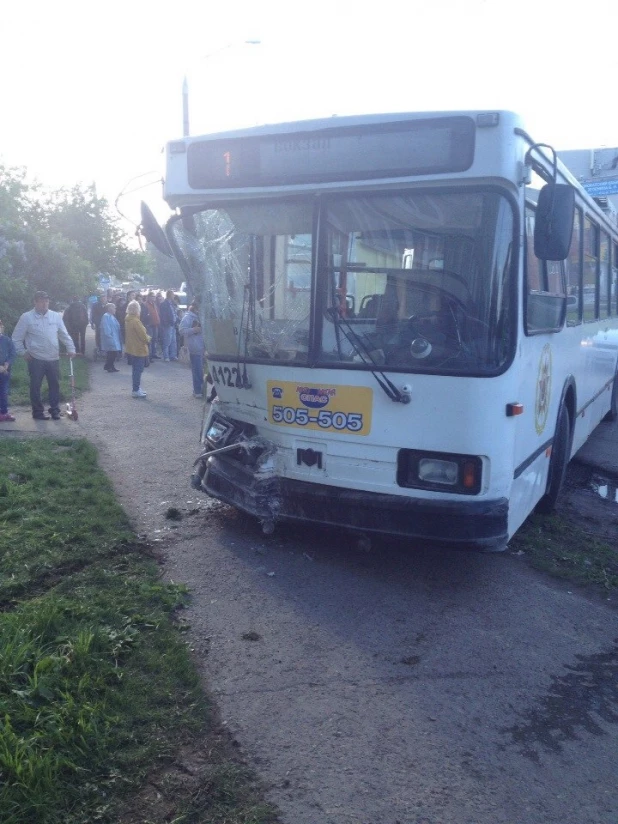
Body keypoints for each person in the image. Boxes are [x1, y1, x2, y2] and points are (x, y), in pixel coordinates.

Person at [12, 290, 76, 420]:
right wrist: (23, 352)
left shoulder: (55, 316)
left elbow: (63, 334)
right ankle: (38, 412)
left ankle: (55, 411)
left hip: (53, 357)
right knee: (35, 386)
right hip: (35, 358)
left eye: (46, 301)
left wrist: (71, 348)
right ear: (35, 302)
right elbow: (16, 338)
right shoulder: (26, 317)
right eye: (41, 301)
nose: (44, 303)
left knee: (55, 385)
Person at [124, 299, 150, 398]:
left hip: (132, 347)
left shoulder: (128, 319)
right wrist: (148, 338)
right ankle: (136, 389)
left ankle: (136, 388)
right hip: (139, 348)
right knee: (138, 370)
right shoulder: (136, 321)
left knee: (135, 369)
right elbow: (143, 336)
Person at [179, 302, 204, 398]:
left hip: (201, 347)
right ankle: (198, 390)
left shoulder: (200, 316)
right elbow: (181, 330)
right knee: (197, 370)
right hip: (194, 347)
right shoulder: (188, 317)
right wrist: (194, 330)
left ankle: (200, 389)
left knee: (201, 370)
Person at [0, 318, 17, 422]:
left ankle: (4, 412)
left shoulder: (7, 340)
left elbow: (12, 353)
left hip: (5, 371)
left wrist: (7, 364)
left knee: (4, 392)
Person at [100, 303, 122, 372]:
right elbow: (106, 327)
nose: (115, 309)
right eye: (114, 308)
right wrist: (109, 336)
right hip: (110, 337)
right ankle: (108, 366)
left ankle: (110, 366)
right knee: (112, 353)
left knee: (113, 353)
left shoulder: (111, 316)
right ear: (110, 308)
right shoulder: (106, 316)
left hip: (114, 337)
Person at [159, 289, 179, 361]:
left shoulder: (172, 303)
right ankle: (166, 356)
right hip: (167, 325)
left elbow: (174, 313)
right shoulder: (164, 304)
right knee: (167, 340)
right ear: (169, 295)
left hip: (173, 324)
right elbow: (163, 315)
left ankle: (173, 355)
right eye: (172, 294)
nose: (174, 296)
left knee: (173, 340)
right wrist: (166, 323)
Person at [144, 292, 161, 361]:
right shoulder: (145, 304)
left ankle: (154, 353)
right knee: (149, 340)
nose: (153, 298)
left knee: (155, 339)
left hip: (155, 324)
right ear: (148, 297)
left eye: (154, 296)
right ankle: (149, 355)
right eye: (152, 296)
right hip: (149, 325)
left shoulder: (154, 304)